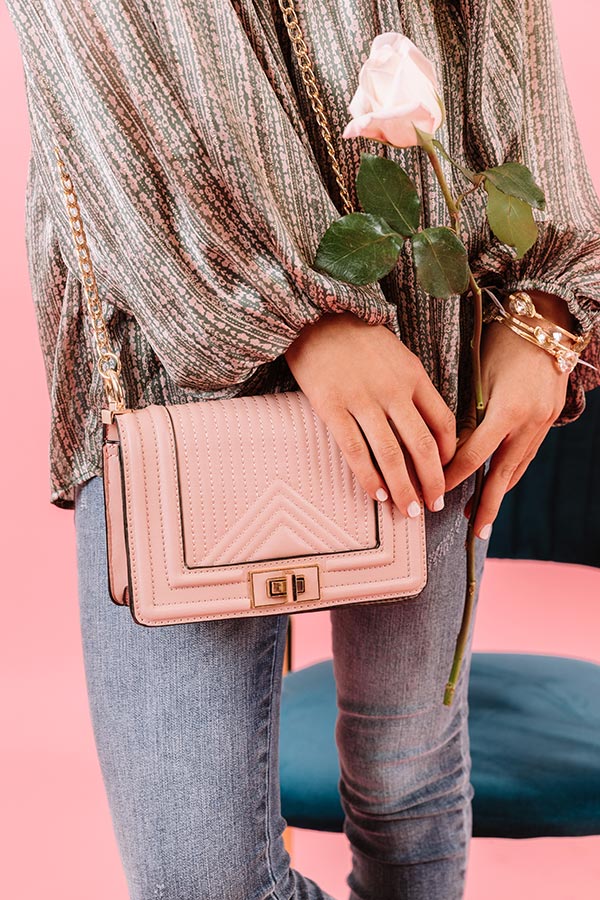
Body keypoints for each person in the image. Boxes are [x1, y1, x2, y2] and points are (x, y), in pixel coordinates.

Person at [6, 1, 600, 898]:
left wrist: (546, 309)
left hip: (427, 346)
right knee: (201, 880)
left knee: (408, 789)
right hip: (174, 348)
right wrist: (300, 314)